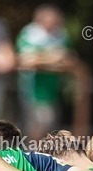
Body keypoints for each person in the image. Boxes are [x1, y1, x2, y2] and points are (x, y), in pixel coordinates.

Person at [15, 5, 74, 140]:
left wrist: (52, 58)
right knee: (35, 125)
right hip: (33, 88)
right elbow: (26, 60)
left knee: (50, 127)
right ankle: (31, 156)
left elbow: (69, 58)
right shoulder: (30, 34)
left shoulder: (61, 34)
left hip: (53, 89)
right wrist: (53, 57)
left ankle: (44, 155)